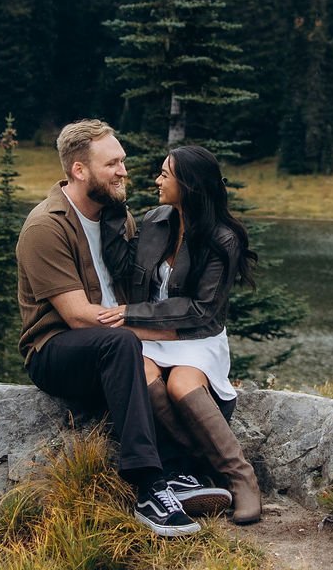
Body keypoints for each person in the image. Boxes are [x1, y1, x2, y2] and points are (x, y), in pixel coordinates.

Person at [16, 119, 230, 536]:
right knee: (121, 346)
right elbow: (78, 316)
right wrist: (143, 328)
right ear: (80, 170)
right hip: (55, 351)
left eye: (123, 161)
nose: (124, 172)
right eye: (113, 163)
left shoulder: (120, 217)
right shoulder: (46, 226)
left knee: (174, 370)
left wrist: (170, 335)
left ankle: (179, 473)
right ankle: (149, 486)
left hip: (118, 342)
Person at [106, 144, 262, 524]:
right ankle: (193, 466)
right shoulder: (157, 220)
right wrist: (111, 211)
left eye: (165, 174)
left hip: (196, 337)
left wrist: (130, 313)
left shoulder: (223, 239)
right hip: (150, 332)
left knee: (180, 385)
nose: (157, 180)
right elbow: (126, 270)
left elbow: (200, 311)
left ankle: (241, 478)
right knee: (140, 374)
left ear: (189, 184)